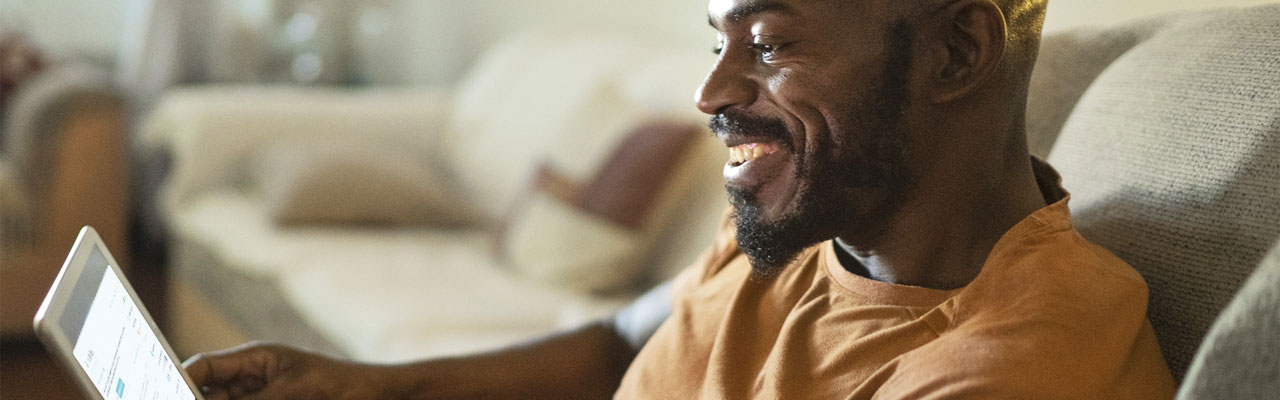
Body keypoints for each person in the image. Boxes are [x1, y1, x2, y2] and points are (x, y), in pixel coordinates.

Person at [183, 0, 1179, 398]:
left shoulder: (1018, 361)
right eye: (718, 41)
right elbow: (625, 339)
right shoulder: (813, 222)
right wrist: (366, 387)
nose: (709, 94)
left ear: (957, 52)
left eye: (772, 42)